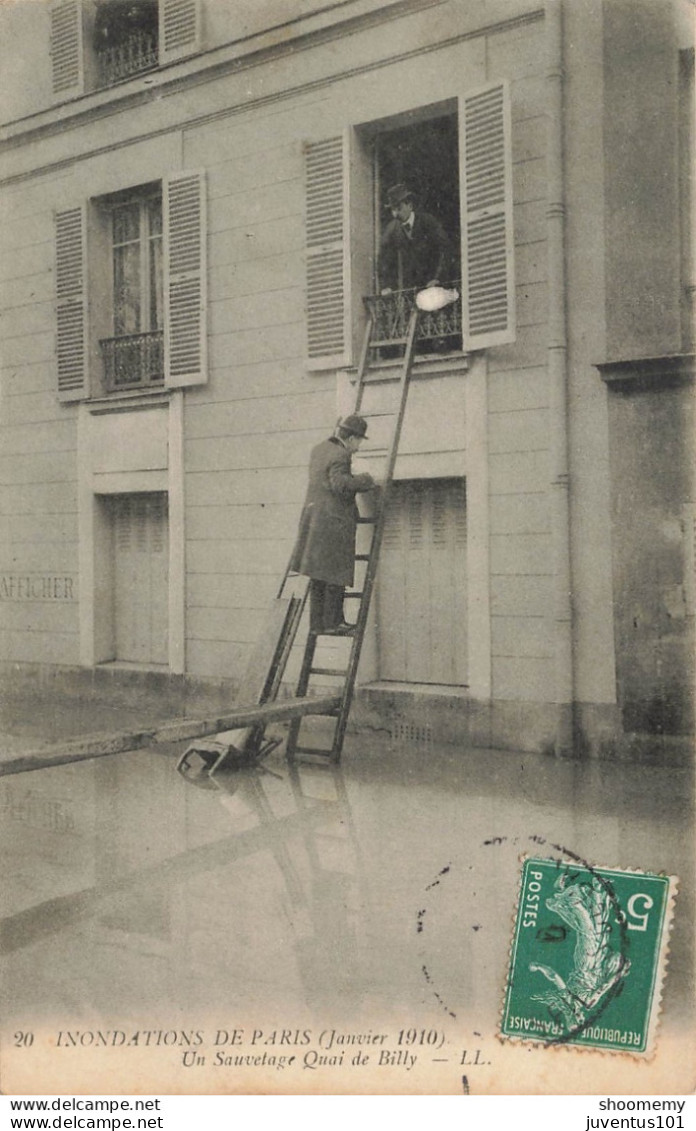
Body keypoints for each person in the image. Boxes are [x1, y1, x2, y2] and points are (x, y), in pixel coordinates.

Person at [290, 415, 377, 636]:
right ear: (351, 438)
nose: (358, 447)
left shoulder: (319, 449)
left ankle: (318, 624)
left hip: (314, 519)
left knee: (319, 574)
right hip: (333, 522)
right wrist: (365, 480)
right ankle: (334, 622)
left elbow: (328, 480)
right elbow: (339, 484)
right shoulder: (341, 454)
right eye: (359, 442)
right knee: (335, 573)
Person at [377, 183, 452, 294]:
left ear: (410, 206)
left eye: (399, 208)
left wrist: (438, 278)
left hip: (434, 286)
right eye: (393, 209)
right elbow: (384, 260)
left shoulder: (428, 222)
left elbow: (445, 249)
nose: (395, 214)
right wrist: (386, 286)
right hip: (410, 289)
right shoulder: (392, 229)